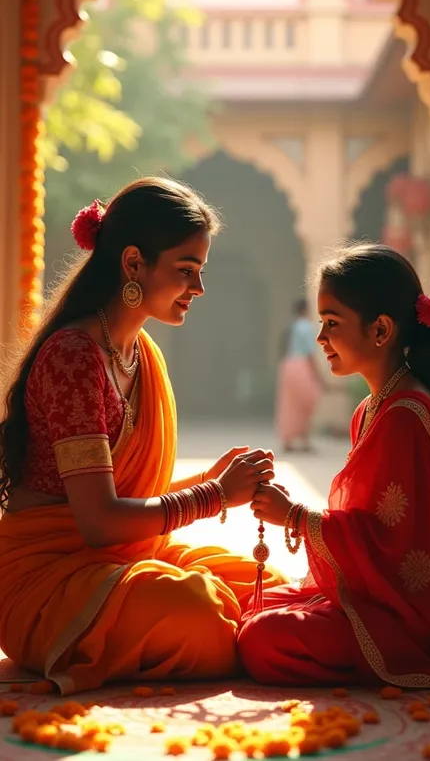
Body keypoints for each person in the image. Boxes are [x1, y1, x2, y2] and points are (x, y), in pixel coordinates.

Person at [0, 177, 286, 695]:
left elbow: (123, 491)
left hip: (119, 561)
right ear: (134, 264)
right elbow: (100, 522)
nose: (197, 289)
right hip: (48, 584)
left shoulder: (139, 353)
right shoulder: (73, 357)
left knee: (267, 590)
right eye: (186, 271)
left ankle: (266, 637)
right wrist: (215, 495)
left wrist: (209, 479)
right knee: (202, 614)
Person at [238, 243, 430, 688]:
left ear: (380, 330)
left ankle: (375, 662)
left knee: (261, 637)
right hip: (377, 596)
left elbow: (399, 548)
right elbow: (370, 525)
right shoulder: (371, 409)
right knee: (248, 603)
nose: (321, 337)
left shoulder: (406, 414)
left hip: (415, 618)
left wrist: (295, 517)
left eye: (331, 323)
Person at [276, 298, 323, 452]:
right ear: (306, 310)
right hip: (301, 366)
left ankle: (288, 440)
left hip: (288, 365)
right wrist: (320, 377)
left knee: (290, 404)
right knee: (307, 402)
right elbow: (310, 353)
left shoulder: (294, 326)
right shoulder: (306, 327)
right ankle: (304, 439)